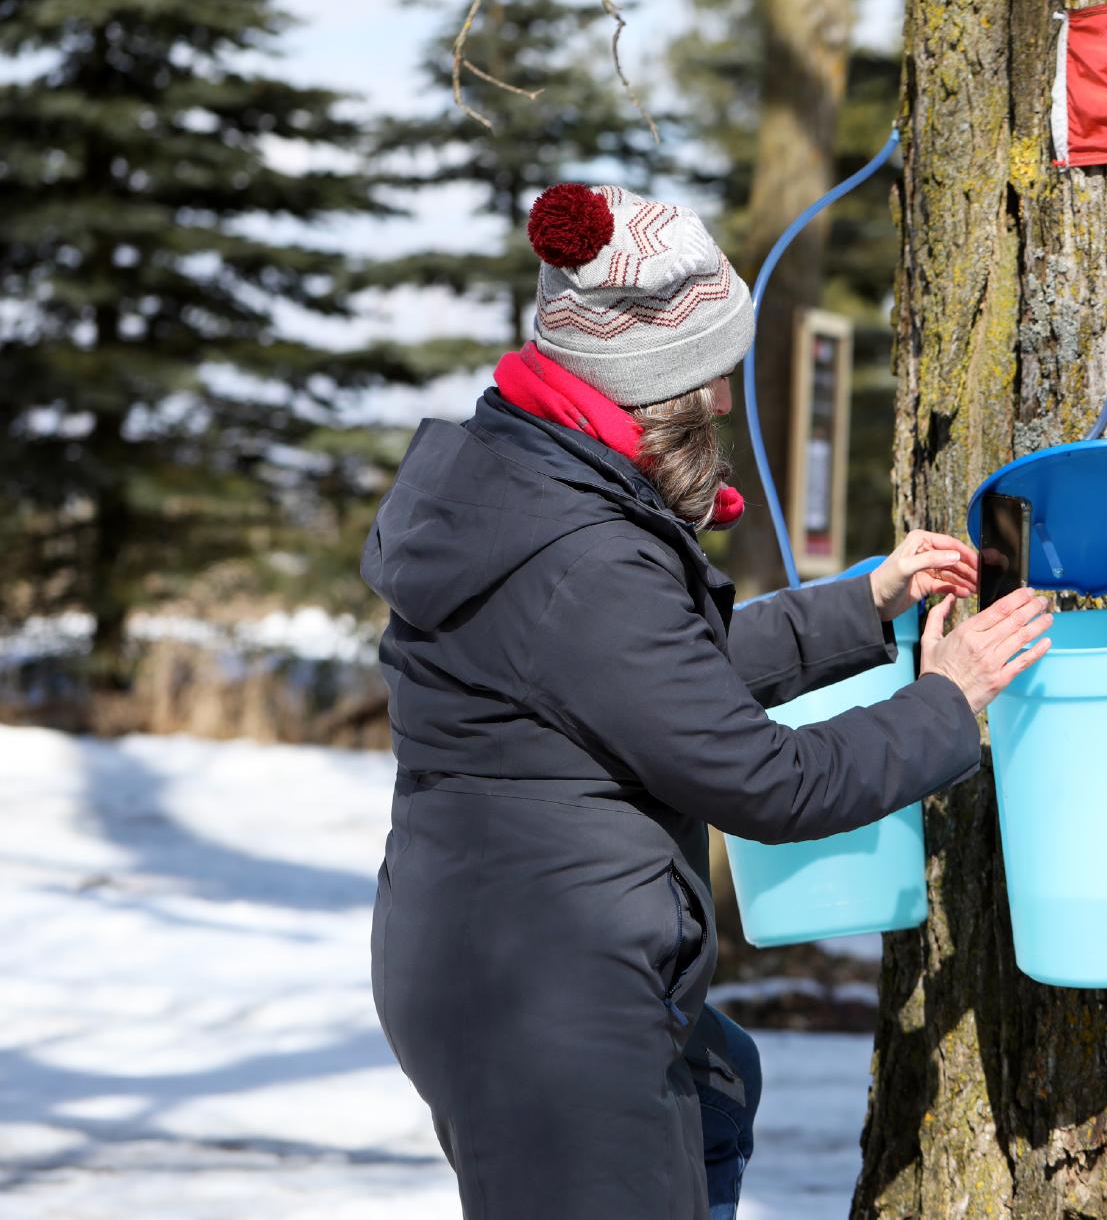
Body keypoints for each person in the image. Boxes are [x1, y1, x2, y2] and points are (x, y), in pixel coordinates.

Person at [360, 181, 1052, 1220]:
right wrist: (946, 700)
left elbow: (656, 671)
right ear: (645, 385)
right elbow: (761, 781)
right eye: (710, 378)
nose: (726, 404)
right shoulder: (583, 556)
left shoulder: (527, 485)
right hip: (539, 996)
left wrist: (861, 603)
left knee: (720, 1089)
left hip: (513, 957)